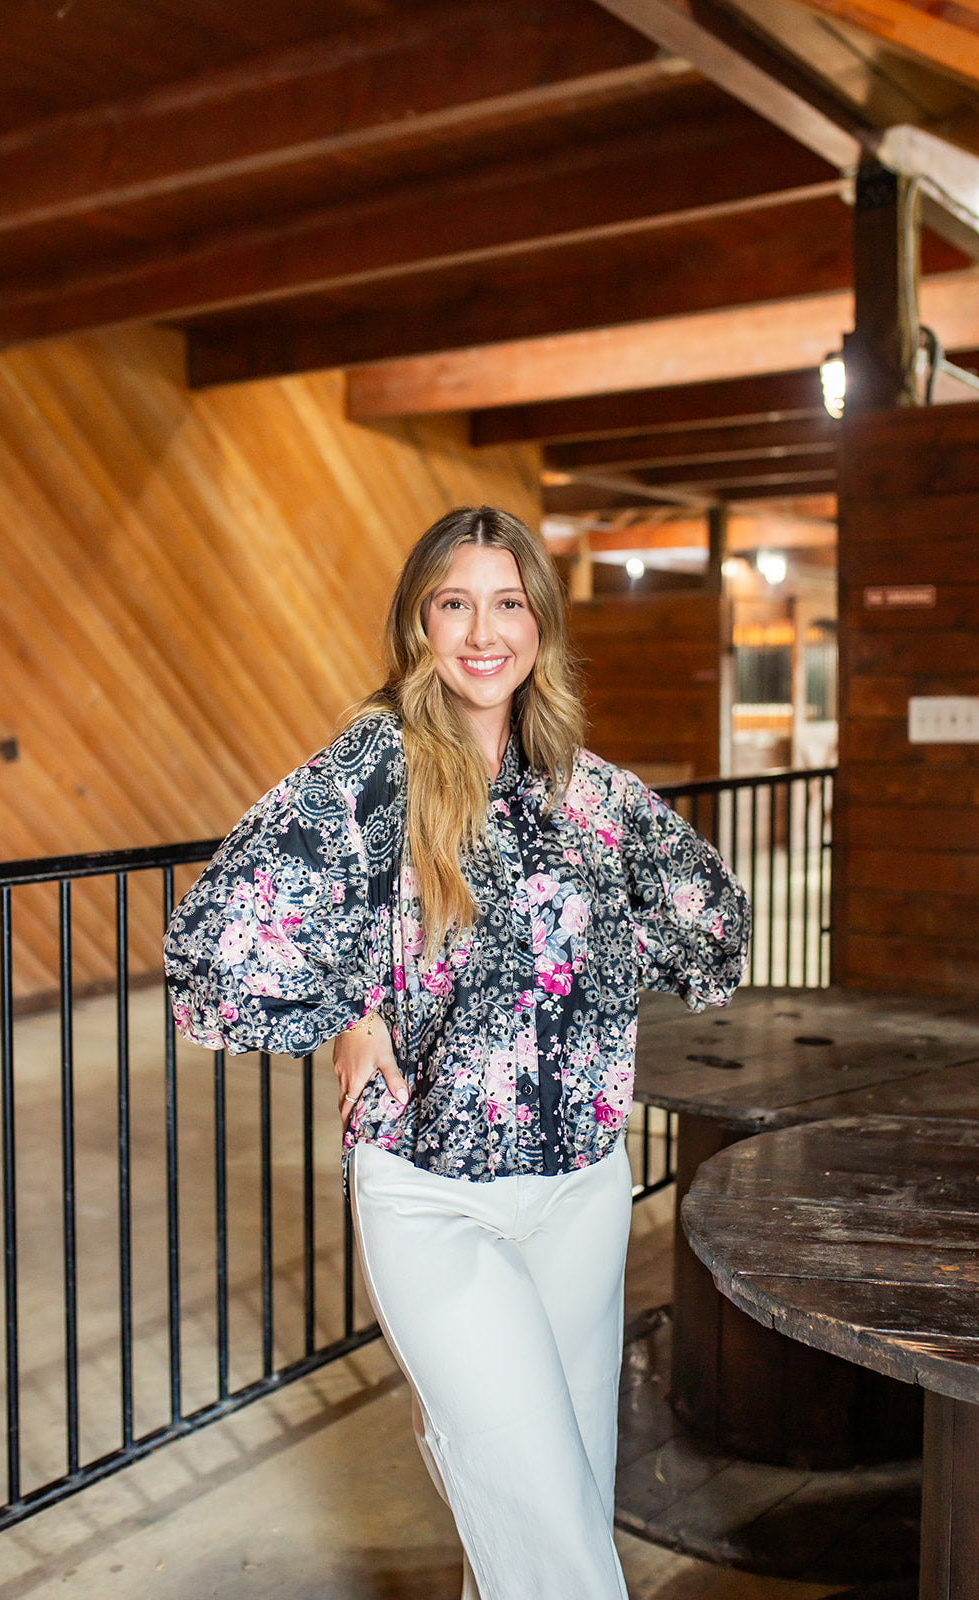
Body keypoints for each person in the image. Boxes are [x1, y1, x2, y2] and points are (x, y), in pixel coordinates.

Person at [164, 505, 750, 1600]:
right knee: (551, 1543)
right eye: (452, 603)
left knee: (554, 1506)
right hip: (434, 1201)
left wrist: (615, 967)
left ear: (540, 624)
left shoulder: (592, 793)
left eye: (506, 602)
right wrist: (347, 1006)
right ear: (418, 624)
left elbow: (713, 926)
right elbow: (218, 944)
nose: (481, 631)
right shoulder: (372, 774)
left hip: (579, 1190)